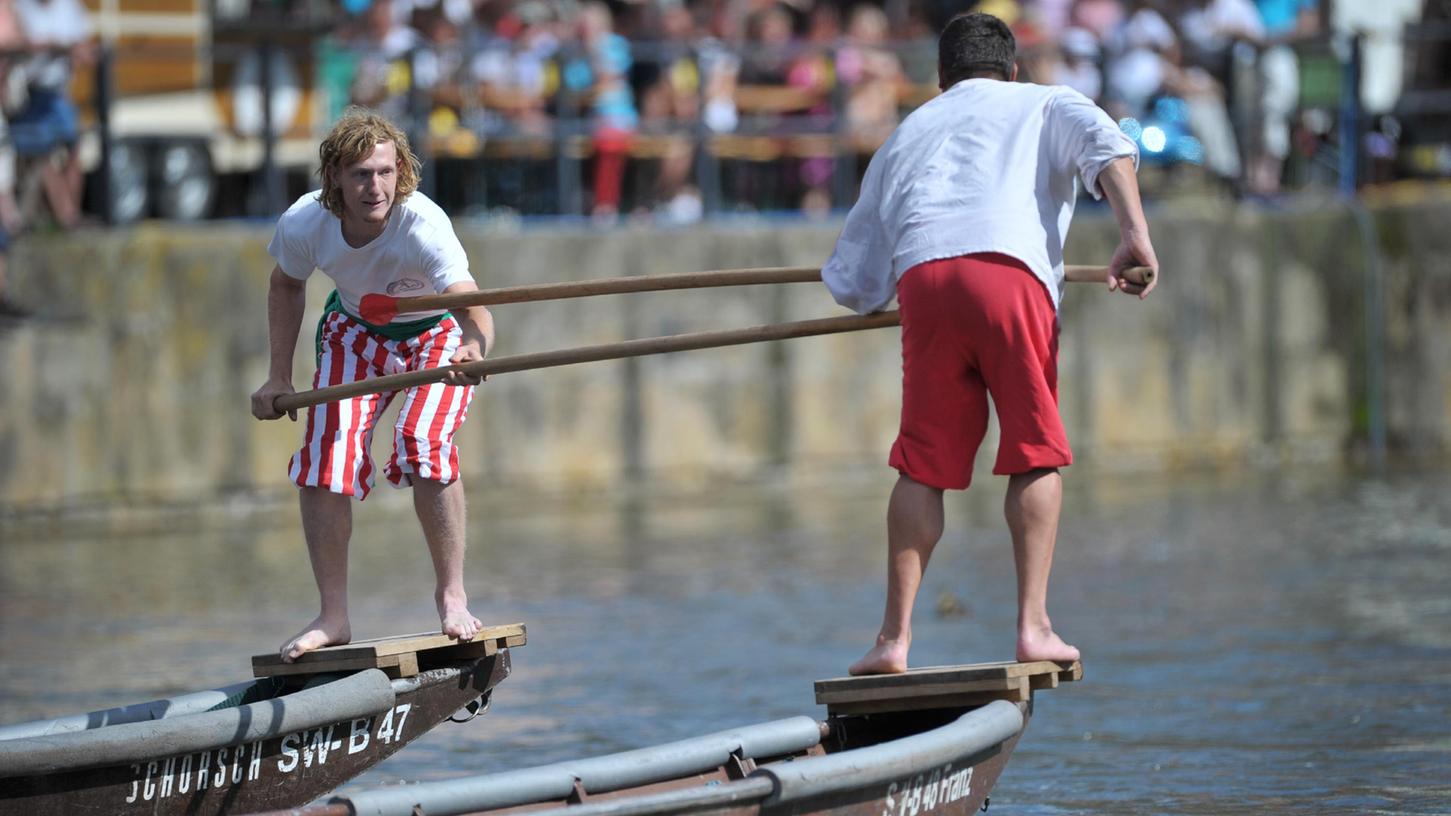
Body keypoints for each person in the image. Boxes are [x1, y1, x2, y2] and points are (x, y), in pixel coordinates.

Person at [821, 12, 1159, 676]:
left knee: (921, 464)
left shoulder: (910, 129)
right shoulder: (1046, 101)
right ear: (1012, 70)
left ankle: (892, 640)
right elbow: (1109, 148)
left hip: (925, 278)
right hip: (1010, 274)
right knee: (1034, 450)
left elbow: (853, 284)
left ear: (940, 78)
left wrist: (886, 293)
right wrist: (1135, 238)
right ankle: (1032, 627)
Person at [249, 108, 495, 663]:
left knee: (421, 441)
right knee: (323, 459)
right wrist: (278, 376)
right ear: (335, 175)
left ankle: (452, 596)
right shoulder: (304, 223)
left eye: (385, 172)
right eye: (361, 174)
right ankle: (333, 616)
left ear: (401, 171)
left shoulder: (423, 225)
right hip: (355, 331)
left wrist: (473, 350)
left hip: (435, 336)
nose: (375, 187)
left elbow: (474, 309)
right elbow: (286, 287)